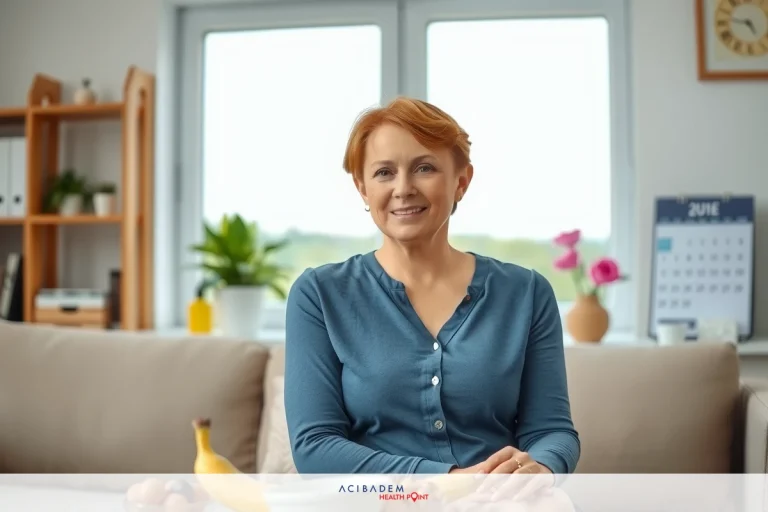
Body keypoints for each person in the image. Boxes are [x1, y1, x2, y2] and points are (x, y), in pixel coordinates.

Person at [283, 96, 580, 476]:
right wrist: (449, 482)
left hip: (501, 500)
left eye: (424, 168)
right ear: (362, 189)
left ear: (461, 181)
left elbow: (552, 431)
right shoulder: (319, 295)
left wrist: (541, 470)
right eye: (384, 173)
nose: (403, 188)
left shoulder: (527, 293)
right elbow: (314, 447)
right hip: (377, 503)